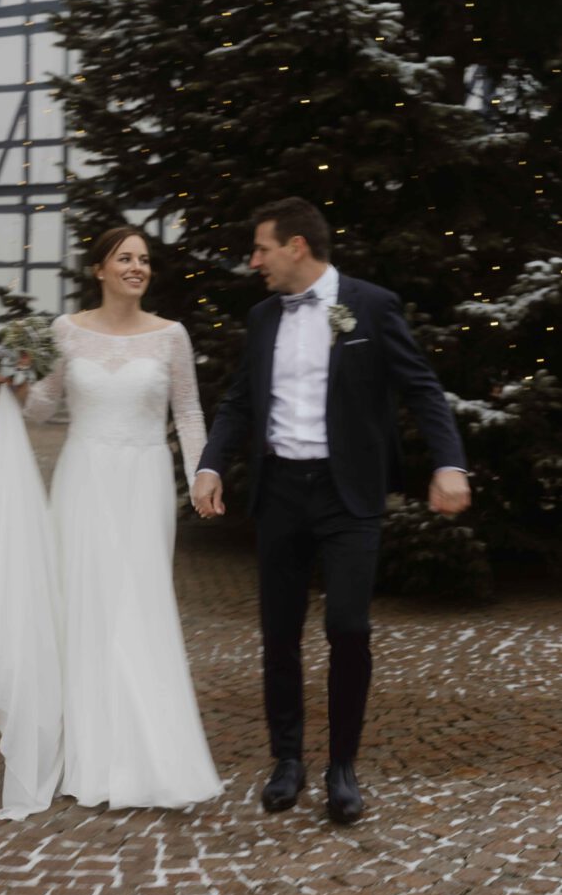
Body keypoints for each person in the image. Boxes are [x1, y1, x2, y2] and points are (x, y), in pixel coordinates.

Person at [192, 197, 470, 824]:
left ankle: (342, 766)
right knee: (280, 635)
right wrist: (211, 464)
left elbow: (422, 387)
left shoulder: (371, 306)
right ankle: (286, 761)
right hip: (281, 492)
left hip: (349, 494)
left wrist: (449, 463)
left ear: (297, 246)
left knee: (349, 626)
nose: (253, 260)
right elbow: (239, 400)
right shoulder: (263, 316)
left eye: (262, 247)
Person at [0, 226, 222, 818]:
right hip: (82, 481)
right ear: (99, 269)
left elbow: (189, 410)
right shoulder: (66, 332)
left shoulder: (171, 336)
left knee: (138, 604)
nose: (136, 267)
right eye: (124, 258)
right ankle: (86, 753)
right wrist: (18, 387)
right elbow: (47, 409)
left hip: (144, 481)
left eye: (144, 259)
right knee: (84, 606)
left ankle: (149, 752)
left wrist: (206, 472)